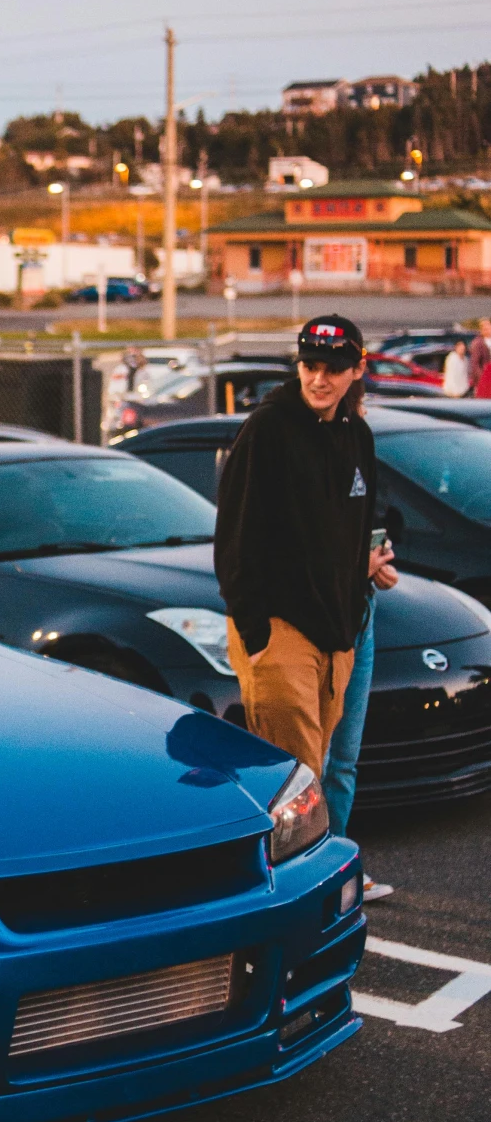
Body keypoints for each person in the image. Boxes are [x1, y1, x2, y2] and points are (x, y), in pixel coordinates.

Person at [215, 315, 388, 780]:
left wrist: (367, 568)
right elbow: (234, 537)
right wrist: (256, 638)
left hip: (337, 634)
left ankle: (308, 854)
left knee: (317, 774)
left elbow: (356, 525)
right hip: (280, 629)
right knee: (295, 780)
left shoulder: (357, 435)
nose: (318, 378)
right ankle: (288, 857)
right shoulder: (268, 429)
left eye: (332, 368)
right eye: (309, 365)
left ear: (357, 369)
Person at [318, 390, 397, 902]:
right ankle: (311, 869)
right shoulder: (305, 457)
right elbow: (302, 548)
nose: (364, 418)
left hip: (360, 610)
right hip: (321, 621)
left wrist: (378, 563)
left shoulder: (359, 461)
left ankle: (340, 860)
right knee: (316, 757)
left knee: (345, 756)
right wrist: (356, 566)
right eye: (361, 408)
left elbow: (358, 534)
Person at [468, 319, 491, 389]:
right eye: (484, 328)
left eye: (488, 327)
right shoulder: (477, 343)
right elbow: (475, 364)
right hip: (483, 380)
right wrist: (483, 379)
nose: (487, 329)